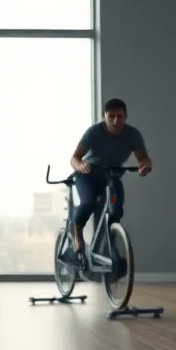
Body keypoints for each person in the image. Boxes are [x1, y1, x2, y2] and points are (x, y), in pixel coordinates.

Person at [68, 99, 152, 261]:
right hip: (88, 174)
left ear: (126, 117)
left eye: (120, 117)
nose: (115, 121)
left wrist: (144, 166)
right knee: (89, 203)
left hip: (111, 176)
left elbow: (144, 159)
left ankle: (106, 246)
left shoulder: (133, 134)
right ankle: (78, 234)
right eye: (111, 116)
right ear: (104, 116)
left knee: (117, 210)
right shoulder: (95, 131)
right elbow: (74, 158)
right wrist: (81, 165)